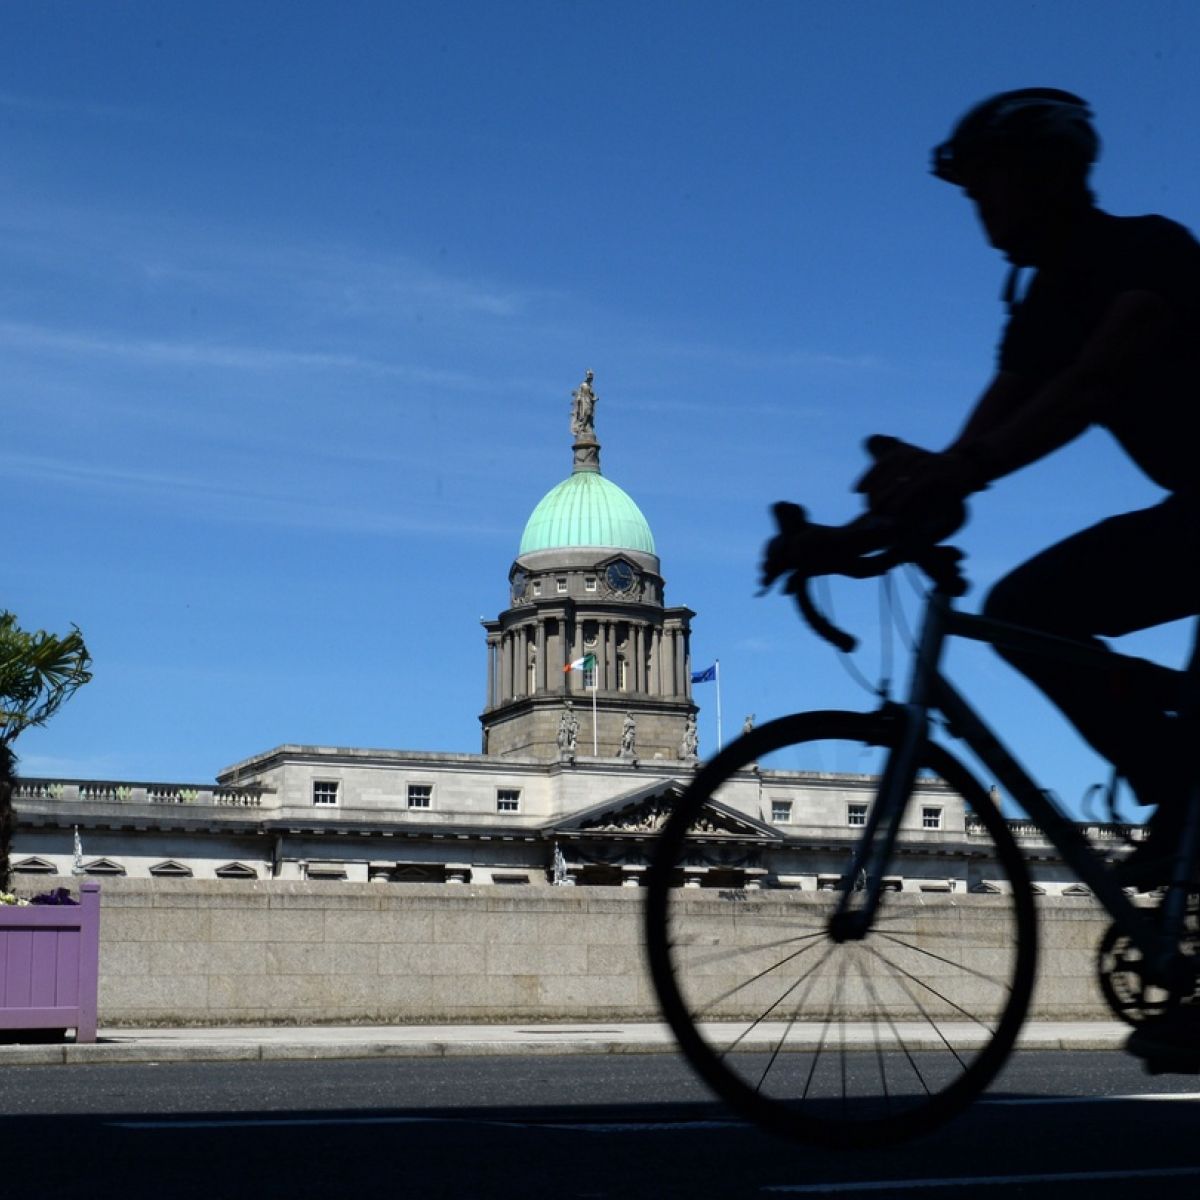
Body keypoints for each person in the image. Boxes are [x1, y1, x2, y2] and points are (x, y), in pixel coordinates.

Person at [855, 88, 1200, 1063]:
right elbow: (981, 442)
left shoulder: (1148, 252)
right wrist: (859, 526)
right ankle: (1179, 799)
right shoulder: (1042, 301)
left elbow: (1087, 389)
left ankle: (1181, 799)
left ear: (1046, 178)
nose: (983, 213)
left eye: (991, 188)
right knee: (1022, 612)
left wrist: (952, 473)